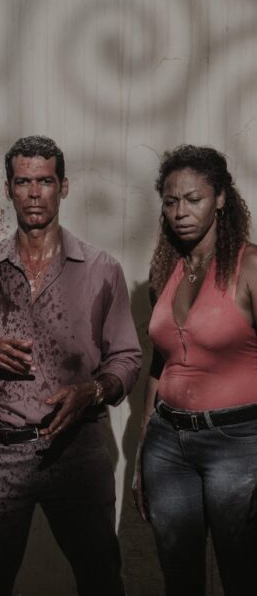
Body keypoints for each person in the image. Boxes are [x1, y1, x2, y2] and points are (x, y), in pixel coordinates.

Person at [0, 135, 141, 596]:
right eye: (23, 182)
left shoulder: (101, 269)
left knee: (100, 579)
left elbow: (128, 357)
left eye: (45, 181)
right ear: (8, 189)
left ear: (63, 187)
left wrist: (93, 391)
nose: (34, 193)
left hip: (76, 449)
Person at [133, 144, 257, 596]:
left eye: (193, 199)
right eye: (171, 202)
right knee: (179, 577)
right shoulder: (167, 269)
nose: (180, 212)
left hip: (238, 444)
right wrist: (144, 445)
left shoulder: (250, 266)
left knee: (242, 574)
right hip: (168, 444)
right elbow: (160, 361)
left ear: (220, 198)